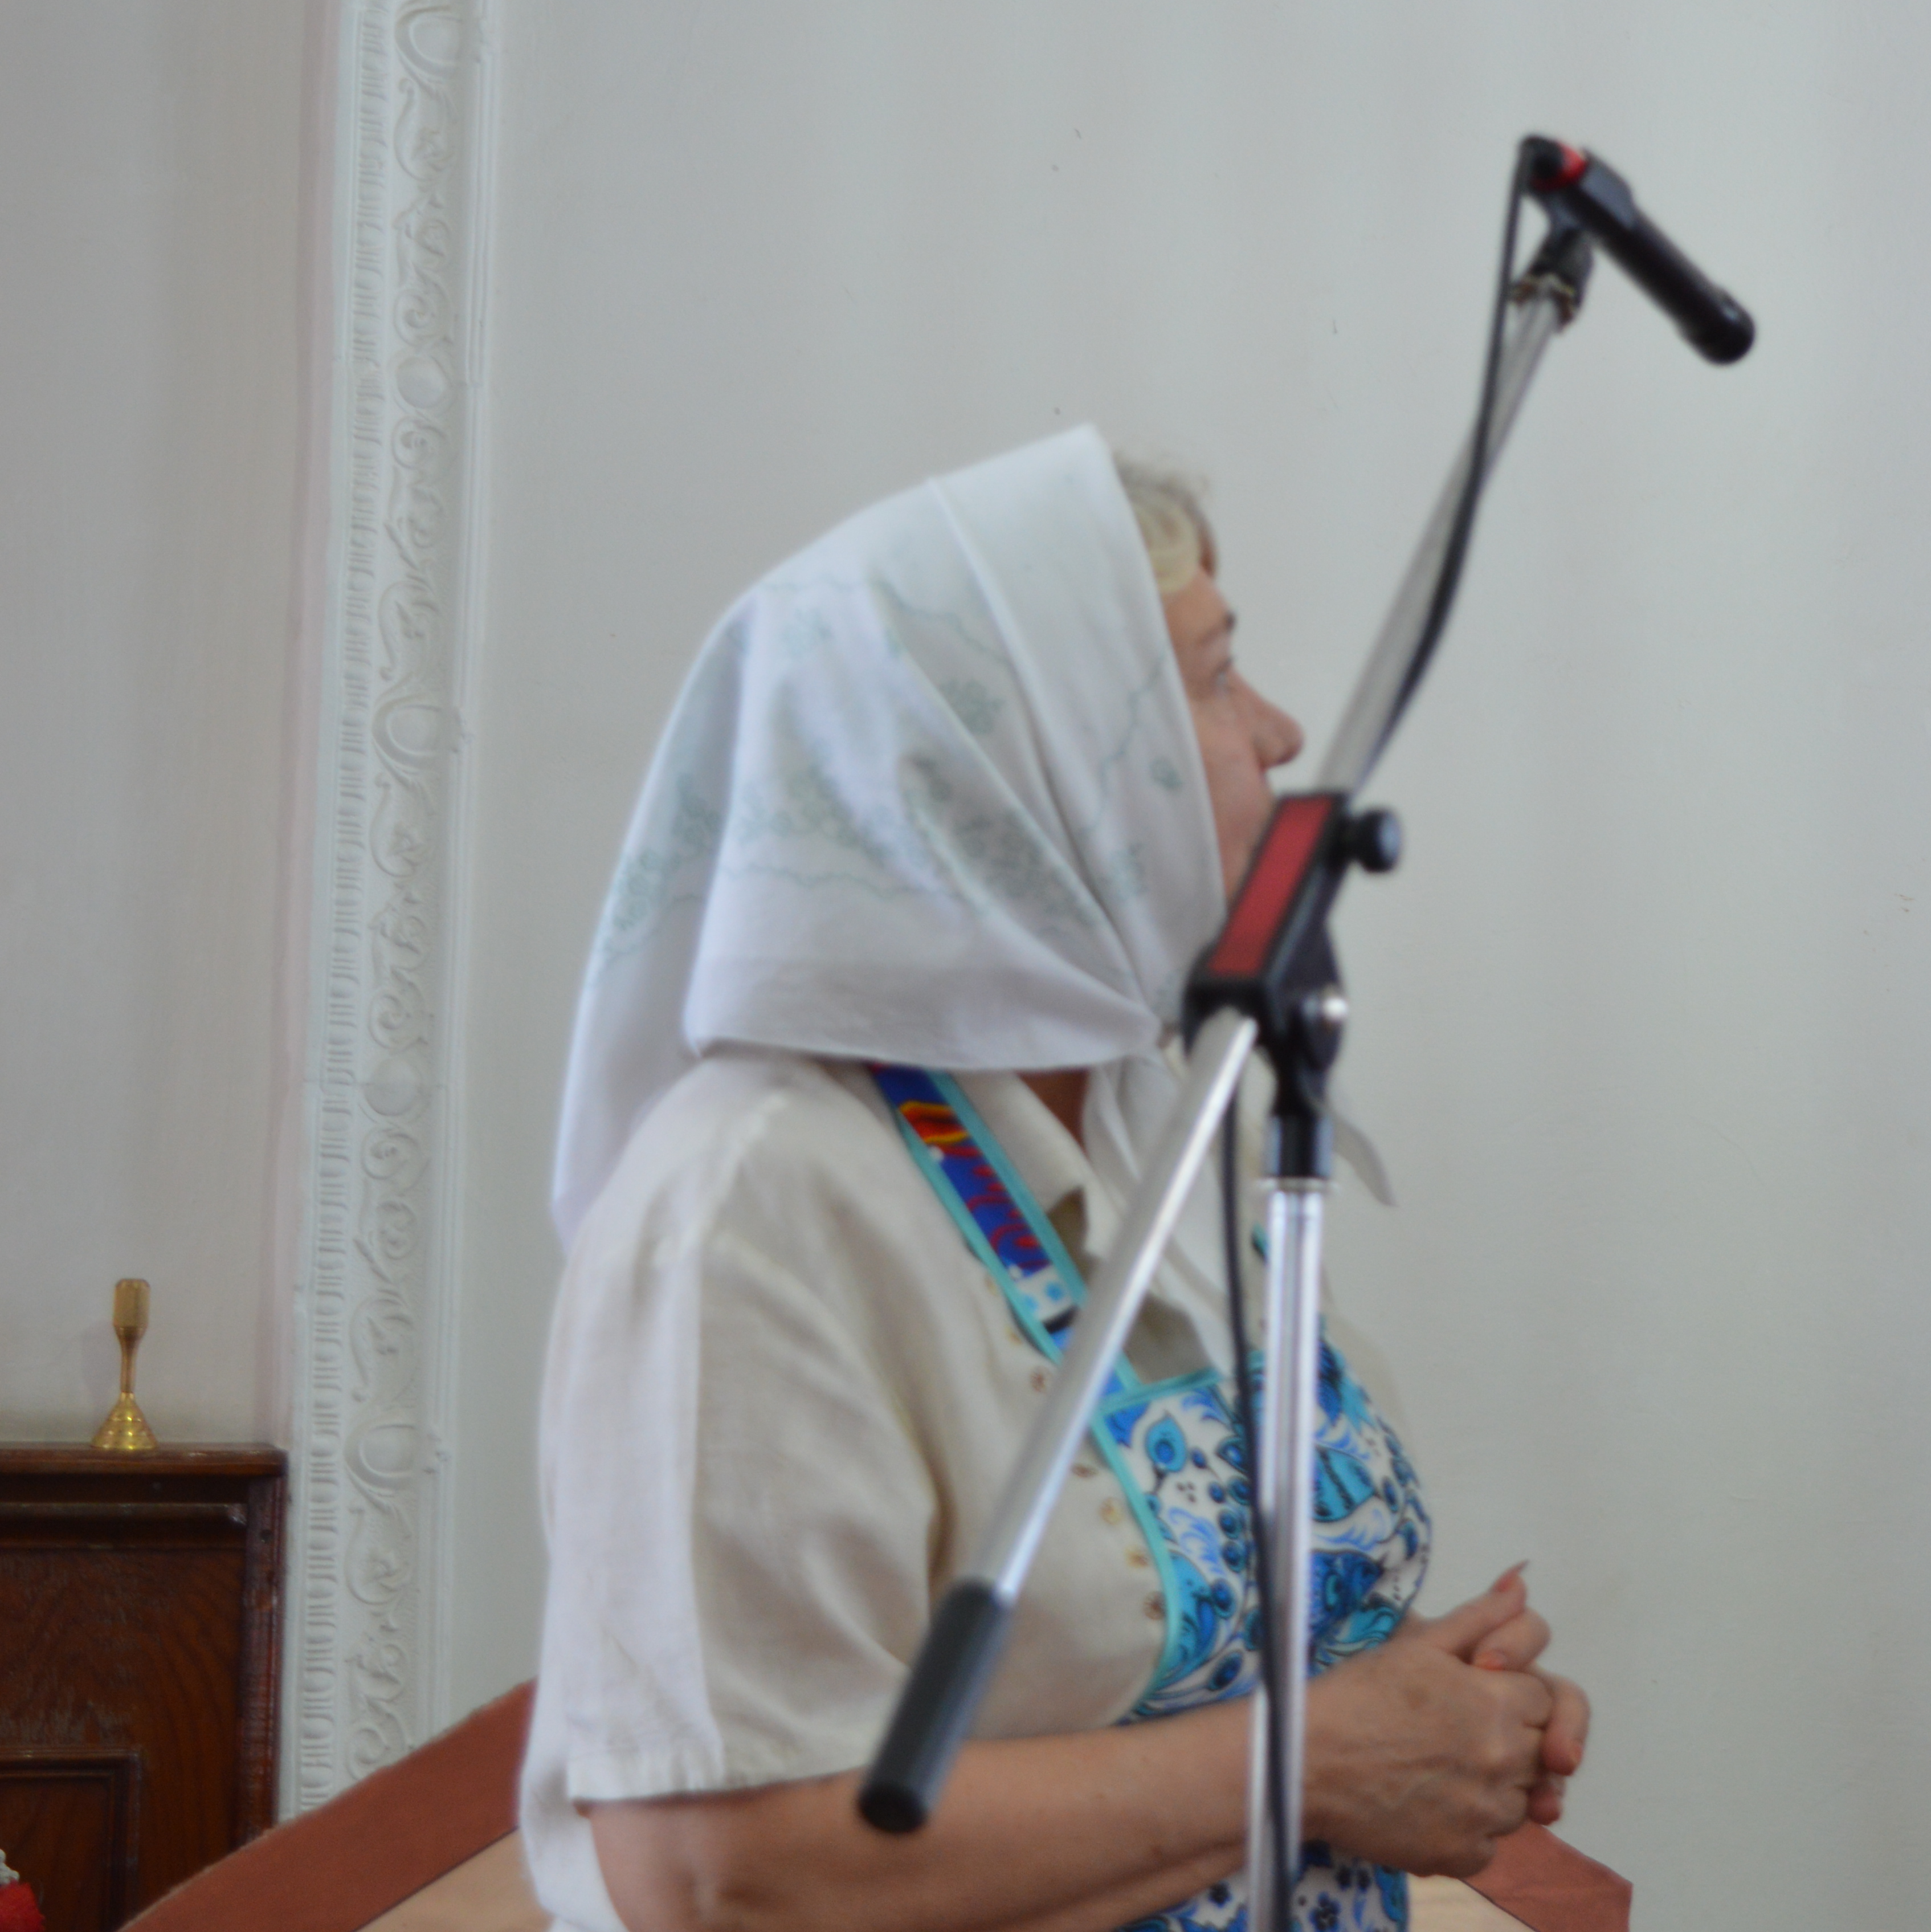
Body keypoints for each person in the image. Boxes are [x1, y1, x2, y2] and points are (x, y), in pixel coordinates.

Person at [520, 429, 1586, 1932]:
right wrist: (1313, 1763)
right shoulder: (747, 1205)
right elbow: (721, 1877)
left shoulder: (1160, 1125)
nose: (1282, 733)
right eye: (1217, 678)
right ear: (1032, 771)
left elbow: (1144, 1682)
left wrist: (1429, 1715)